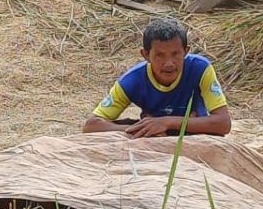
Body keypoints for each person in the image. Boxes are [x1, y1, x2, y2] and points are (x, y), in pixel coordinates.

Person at [83, 17, 232, 138]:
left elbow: (223, 124)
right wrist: (144, 129)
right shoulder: (132, 80)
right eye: (160, 55)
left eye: (175, 54)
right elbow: (91, 125)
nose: (169, 64)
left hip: (193, 137)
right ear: (145, 55)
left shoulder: (200, 69)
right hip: (154, 140)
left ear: (186, 52)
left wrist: (166, 122)